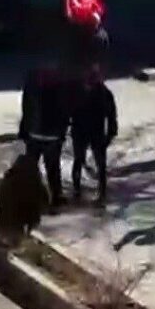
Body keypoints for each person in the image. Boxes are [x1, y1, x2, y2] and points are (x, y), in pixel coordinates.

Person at [19, 66, 69, 208]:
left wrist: (23, 131)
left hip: (34, 134)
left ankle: (30, 196)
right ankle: (56, 196)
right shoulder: (60, 89)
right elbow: (64, 113)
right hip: (52, 136)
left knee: (31, 167)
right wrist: (62, 133)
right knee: (53, 168)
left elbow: (26, 110)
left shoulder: (31, 88)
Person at [70, 66, 118, 207]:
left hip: (86, 132)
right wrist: (111, 133)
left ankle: (88, 190)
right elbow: (111, 116)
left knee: (89, 162)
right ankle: (86, 190)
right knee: (90, 162)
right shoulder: (104, 93)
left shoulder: (80, 92)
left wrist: (111, 133)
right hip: (89, 132)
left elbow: (111, 116)